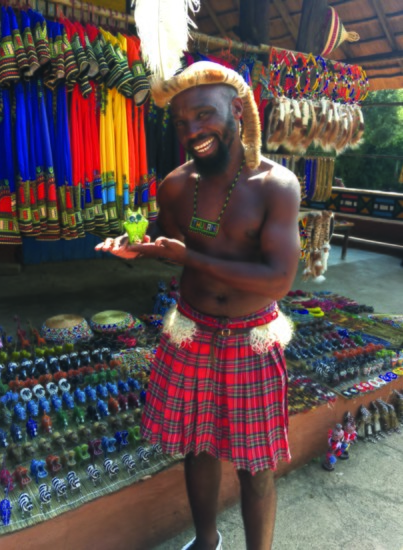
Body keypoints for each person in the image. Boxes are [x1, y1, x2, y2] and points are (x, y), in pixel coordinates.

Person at [95, 61, 301, 550]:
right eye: (183, 123)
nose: (193, 132)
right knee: (197, 447)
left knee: (256, 466)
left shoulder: (277, 186)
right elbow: (165, 244)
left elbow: (279, 280)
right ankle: (207, 542)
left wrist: (191, 258)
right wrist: (133, 249)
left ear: (235, 109)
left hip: (252, 338)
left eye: (204, 116)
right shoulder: (176, 185)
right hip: (190, 331)